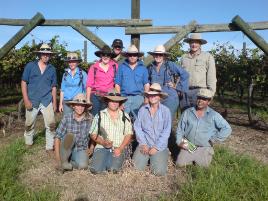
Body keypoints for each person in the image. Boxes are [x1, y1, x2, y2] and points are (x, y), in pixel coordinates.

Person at [176, 88, 232, 167]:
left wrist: (213, 139)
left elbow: (227, 129)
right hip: (189, 145)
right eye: (199, 98)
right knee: (180, 164)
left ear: (209, 101)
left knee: (202, 168)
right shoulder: (187, 112)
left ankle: (203, 157)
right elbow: (180, 129)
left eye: (204, 99)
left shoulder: (214, 115)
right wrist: (179, 142)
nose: (200, 101)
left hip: (204, 147)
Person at [21, 43, 57, 153]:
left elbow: (54, 87)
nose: (46, 56)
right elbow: (23, 82)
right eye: (44, 54)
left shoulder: (52, 69)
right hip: (33, 99)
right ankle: (28, 142)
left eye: (48, 54)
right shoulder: (30, 66)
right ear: (40, 55)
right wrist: (26, 100)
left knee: (51, 125)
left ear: (50, 55)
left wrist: (54, 102)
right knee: (29, 124)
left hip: (47, 100)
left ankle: (49, 147)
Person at [89, 90, 133, 174]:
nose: (114, 103)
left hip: (118, 148)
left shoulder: (125, 116)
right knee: (95, 169)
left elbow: (128, 134)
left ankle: (109, 164)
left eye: (117, 101)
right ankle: (101, 163)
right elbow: (93, 133)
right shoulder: (99, 115)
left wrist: (120, 149)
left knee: (113, 170)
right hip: (102, 147)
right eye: (112, 100)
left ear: (120, 102)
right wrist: (102, 142)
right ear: (107, 101)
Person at [133, 83, 172, 176]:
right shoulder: (142, 110)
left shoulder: (166, 111)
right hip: (145, 143)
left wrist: (156, 147)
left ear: (160, 96)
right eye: (150, 94)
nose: (152, 97)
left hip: (159, 146)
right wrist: (143, 144)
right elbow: (137, 128)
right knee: (136, 169)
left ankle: (162, 155)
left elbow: (166, 131)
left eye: (155, 95)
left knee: (159, 172)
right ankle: (146, 159)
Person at [147, 45, 189, 118]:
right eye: (156, 54)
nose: (158, 56)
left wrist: (177, 87)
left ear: (164, 56)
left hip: (170, 97)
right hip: (155, 97)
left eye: (160, 54)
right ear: (153, 55)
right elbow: (147, 81)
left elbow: (185, 74)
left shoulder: (170, 65)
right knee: (156, 119)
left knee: (167, 119)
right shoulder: (150, 67)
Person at [55, 93, 93, 171]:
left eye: (82, 105)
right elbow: (57, 137)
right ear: (73, 106)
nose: (80, 107)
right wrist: (58, 160)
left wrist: (91, 147)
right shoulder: (67, 118)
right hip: (66, 147)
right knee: (70, 136)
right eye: (77, 105)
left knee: (83, 166)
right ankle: (63, 161)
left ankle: (70, 163)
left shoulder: (90, 118)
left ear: (85, 107)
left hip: (81, 148)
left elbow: (94, 134)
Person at [180, 33, 217, 110]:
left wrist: (211, 93)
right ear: (189, 43)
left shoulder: (207, 57)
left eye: (196, 42)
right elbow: (180, 76)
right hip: (185, 92)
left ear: (200, 44)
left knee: (199, 117)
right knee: (185, 115)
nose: (194, 44)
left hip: (200, 92)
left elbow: (211, 77)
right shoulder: (184, 57)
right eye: (192, 42)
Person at [115, 44, 150, 119]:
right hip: (124, 98)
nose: (132, 57)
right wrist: (119, 100)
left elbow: (146, 85)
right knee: (122, 119)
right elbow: (117, 85)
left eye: (134, 55)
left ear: (137, 56)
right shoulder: (121, 67)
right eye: (130, 55)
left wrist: (146, 100)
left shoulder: (143, 68)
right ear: (127, 55)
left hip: (139, 98)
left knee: (139, 120)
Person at [86, 45, 118, 116]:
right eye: (103, 54)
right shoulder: (94, 67)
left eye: (108, 55)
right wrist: (88, 100)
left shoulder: (115, 66)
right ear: (100, 55)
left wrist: (117, 98)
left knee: (106, 118)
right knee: (94, 118)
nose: (105, 57)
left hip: (108, 97)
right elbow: (89, 84)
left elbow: (117, 83)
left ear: (110, 56)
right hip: (95, 96)